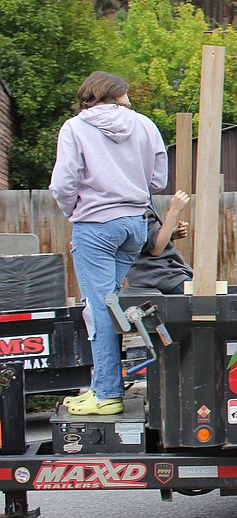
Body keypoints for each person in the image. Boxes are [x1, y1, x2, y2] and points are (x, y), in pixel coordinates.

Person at [50, 71, 167, 416]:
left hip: (96, 226)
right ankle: (105, 384)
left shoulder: (75, 128)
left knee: (99, 308)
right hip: (135, 225)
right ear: (118, 95)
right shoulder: (144, 124)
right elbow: (158, 180)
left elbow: (62, 184)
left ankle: (105, 392)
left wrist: (75, 211)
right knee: (111, 305)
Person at [126, 190, 193, 295]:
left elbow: (145, 239)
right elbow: (155, 248)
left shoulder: (137, 200)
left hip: (150, 276)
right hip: (162, 276)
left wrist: (170, 234)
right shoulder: (136, 204)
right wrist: (174, 211)